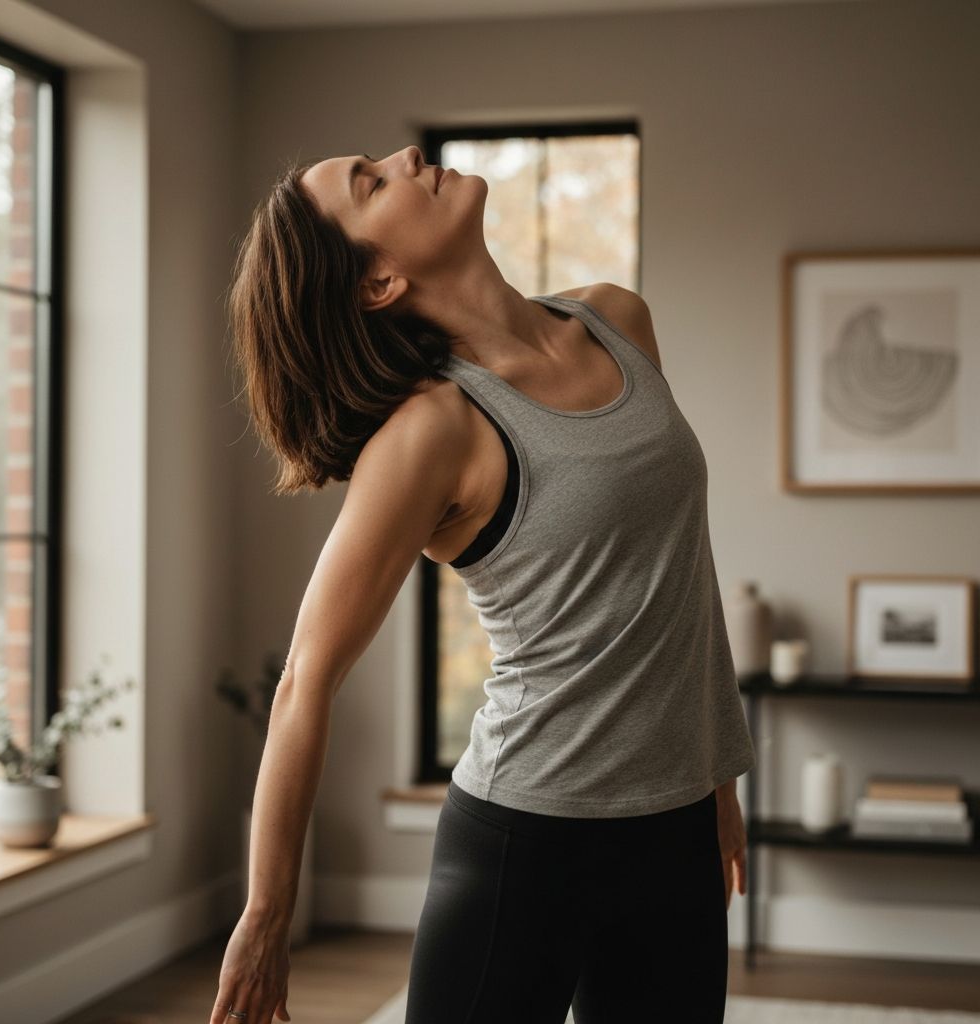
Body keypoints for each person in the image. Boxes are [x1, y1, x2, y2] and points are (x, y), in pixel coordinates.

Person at [210, 144, 755, 1024]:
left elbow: (680, 570)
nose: (407, 156)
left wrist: (718, 778)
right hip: (527, 845)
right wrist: (266, 914)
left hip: (675, 829)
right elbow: (306, 679)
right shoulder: (433, 431)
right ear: (379, 282)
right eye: (372, 183)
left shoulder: (619, 318)